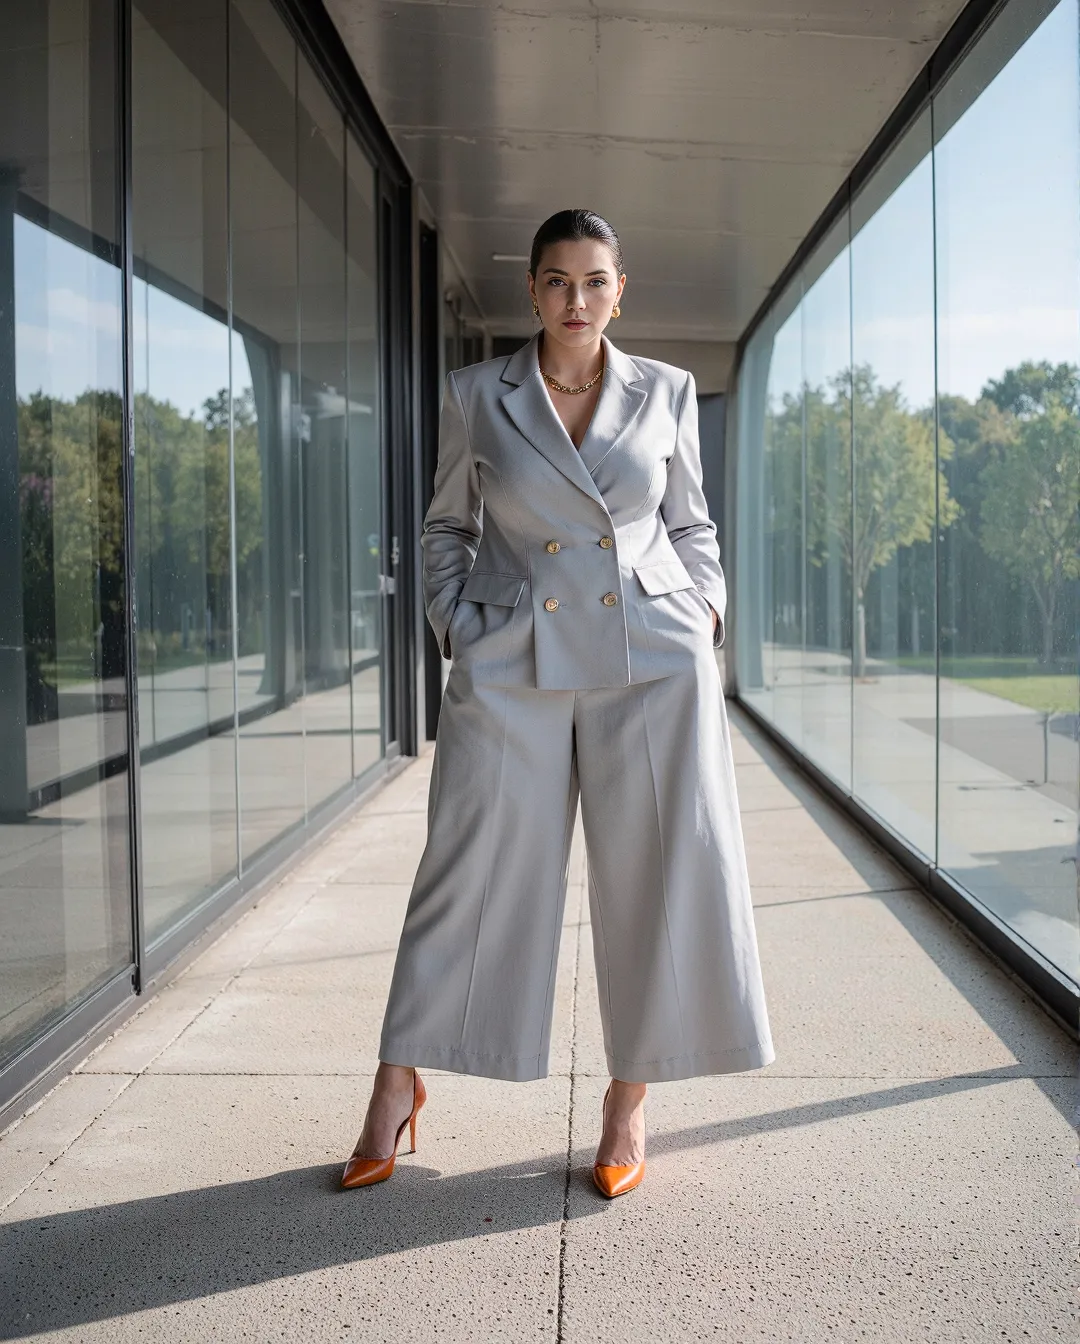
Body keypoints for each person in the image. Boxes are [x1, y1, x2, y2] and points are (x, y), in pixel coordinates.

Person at [341, 208, 774, 1198]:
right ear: (530, 289)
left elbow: (692, 523)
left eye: (594, 281)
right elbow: (446, 525)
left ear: (621, 290)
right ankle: (397, 1082)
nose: (575, 301)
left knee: (659, 873)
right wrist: (460, 628)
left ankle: (628, 1104)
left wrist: (705, 618)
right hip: (512, 656)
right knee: (466, 867)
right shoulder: (475, 392)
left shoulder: (666, 390)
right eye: (556, 281)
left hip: (653, 658)